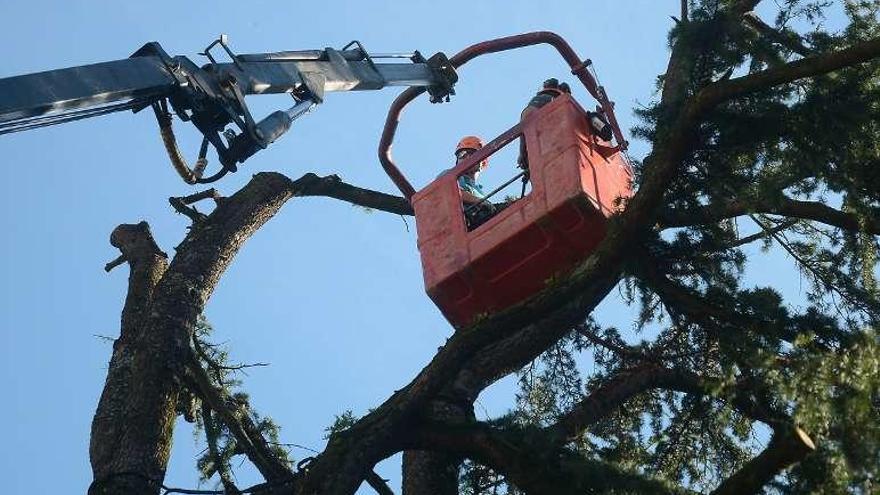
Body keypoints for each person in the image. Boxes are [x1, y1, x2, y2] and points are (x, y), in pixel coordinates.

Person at [441, 135, 501, 230]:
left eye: (472, 153)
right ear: (457, 161)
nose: (467, 157)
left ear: (483, 163)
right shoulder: (449, 176)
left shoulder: (480, 193)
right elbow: (449, 192)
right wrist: (480, 202)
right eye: (462, 154)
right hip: (463, 224)